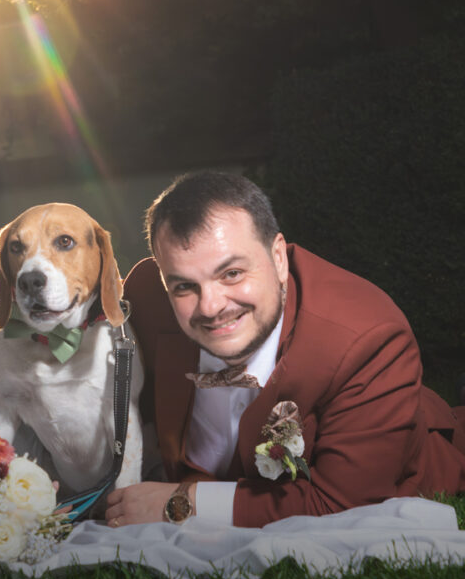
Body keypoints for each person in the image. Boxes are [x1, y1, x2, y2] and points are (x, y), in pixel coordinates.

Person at [105, 171, 465, 529]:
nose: (211, 307)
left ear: (279, 258)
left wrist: (182, 503)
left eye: (231, 273)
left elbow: (339, 505)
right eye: (184, 286)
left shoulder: (368, 339)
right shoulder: (146, 297)